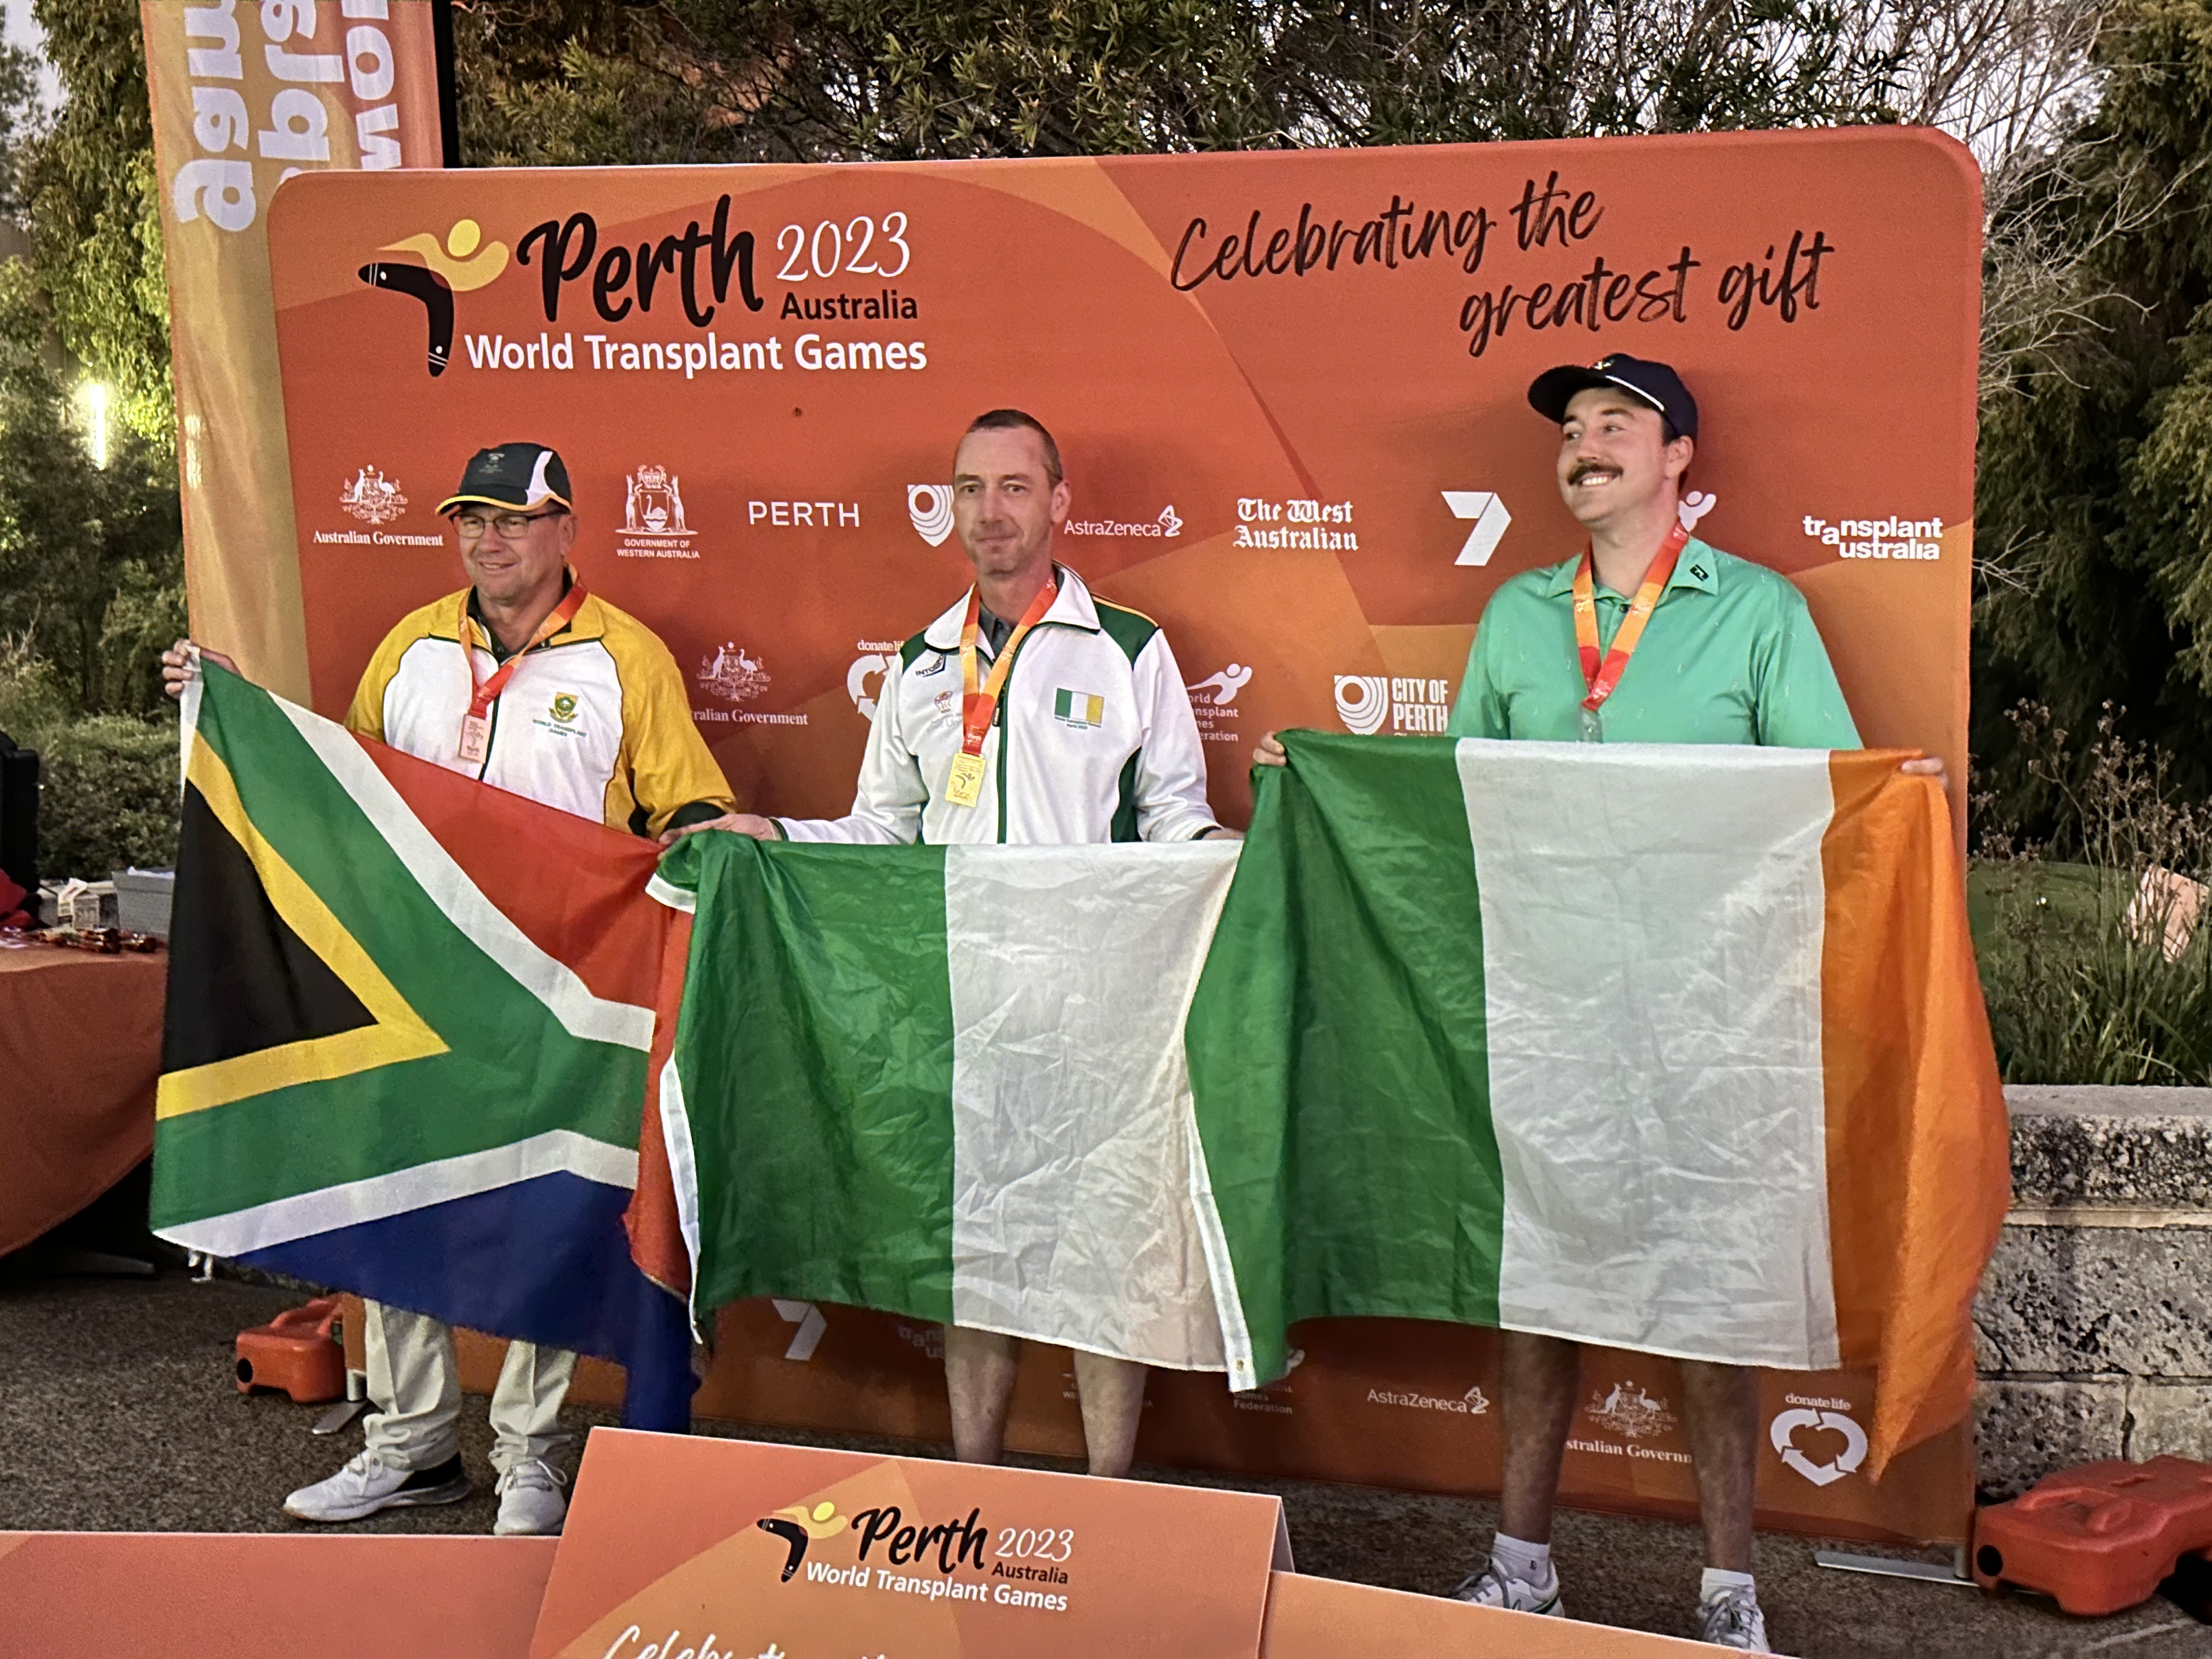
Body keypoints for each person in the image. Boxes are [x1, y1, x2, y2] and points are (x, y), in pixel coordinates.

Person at [1256, 355, 1944, 1652]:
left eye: (1616, 424)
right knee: (1537, 1283)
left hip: (1713, 1015)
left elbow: (1828, 797)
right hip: (1545, 1005)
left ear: (1679, 455)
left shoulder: (1759, 611)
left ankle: (1729, 1595)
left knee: (1716, 1295)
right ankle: (1522, 1566)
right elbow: (1451, 803)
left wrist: (1897, 796)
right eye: (1573, 429)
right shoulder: (1519, 614)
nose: (1585, 445)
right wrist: (1321, 776)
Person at [163, 442, 740, 1534]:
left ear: (566, 530)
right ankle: (412, 1444)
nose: (489, 539)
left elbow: (689, 809)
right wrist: (236, 710)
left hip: (559, 998)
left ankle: (531, 1455)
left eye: (514, 519)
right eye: (473, 519)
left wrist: (715, 835)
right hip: (416, 987)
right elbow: (345, 791)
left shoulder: (628, 660)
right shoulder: (414, 646)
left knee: (550, 1214)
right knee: (397, 1195)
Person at [678, 408, 1235, 1477]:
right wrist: (775, 834)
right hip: (960, 1005)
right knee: (973, 1252)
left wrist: (1232, 857)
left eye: (1014, 487)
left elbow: (1173, 813)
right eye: (970, 489)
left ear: (1059, 502)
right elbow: (883, 831)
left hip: (1100, 1009)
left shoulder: (1128, 650)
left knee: (1105, 1253)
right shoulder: (922, 663)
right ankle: (973, 1486)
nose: (990, 511)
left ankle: (1108, 1500)